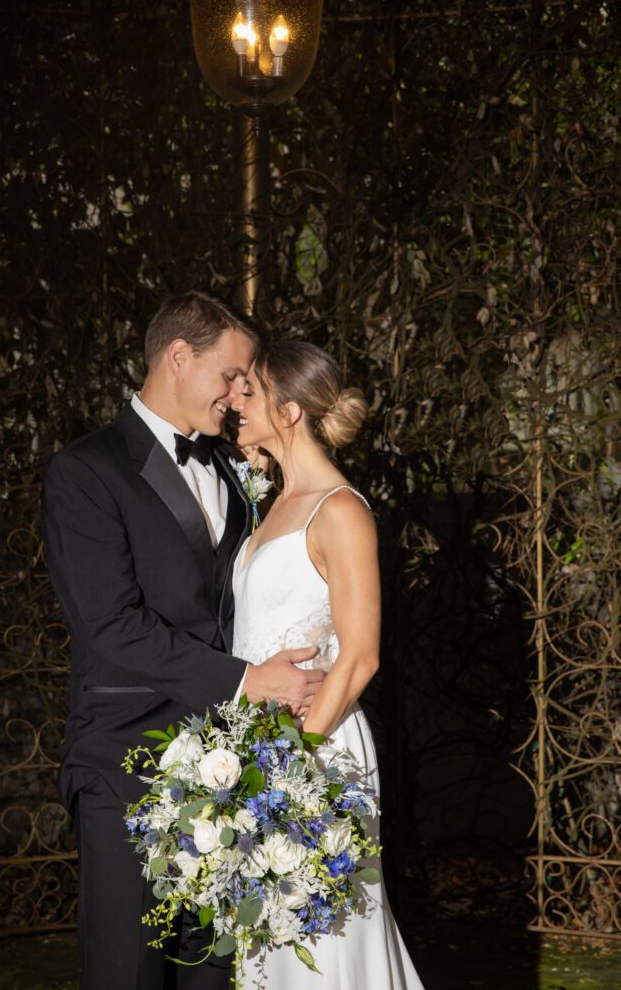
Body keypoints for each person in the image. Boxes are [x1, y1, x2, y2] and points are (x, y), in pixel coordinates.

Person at [41, 292, 326, 990]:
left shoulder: (232, 467)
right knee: (129, 973)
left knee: (212, 974)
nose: (239, 394)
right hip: (125, 763)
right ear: (177, 357)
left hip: (228, 770)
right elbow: (109, 626)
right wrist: (244, 680)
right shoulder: (85, 471)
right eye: (231, 375)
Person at [230, 338, 425, 990]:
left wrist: (292, 761)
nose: (234, 400)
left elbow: (361, 654)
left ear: (289, 411)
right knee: (263, 937)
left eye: (249, 391)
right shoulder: (273, 503)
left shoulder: (338, 511)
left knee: (320, 935)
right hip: (255, 747)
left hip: (317, 747)